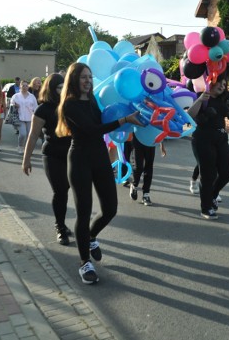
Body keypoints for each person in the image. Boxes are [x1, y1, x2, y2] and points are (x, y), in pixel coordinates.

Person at [56, 62, 141, 285]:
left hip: (100, 157)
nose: (88, 81)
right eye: (83, 77)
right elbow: (93, 130)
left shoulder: (92, 99)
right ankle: (84, 262)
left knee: (110, 209)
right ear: (74, 80)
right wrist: (123, 120)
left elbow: (103, 119)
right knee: (83, 212)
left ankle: (91, 236)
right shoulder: (69, 105)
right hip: (80, 159)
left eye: (90, 77)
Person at [22, 74, 73, 245]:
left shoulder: (70, 105)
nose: (62, 90)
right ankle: (60, 227)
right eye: (59, 87)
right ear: (51, 89)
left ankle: (65, 224)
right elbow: (33, 135)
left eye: (64, 87)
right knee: (60, 191)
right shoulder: (43, 109)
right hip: (52, 154)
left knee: (67, 189)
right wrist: (26, 159)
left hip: (72, 154)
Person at [187, 74, 229, 220]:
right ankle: (206, 208)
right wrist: (200, 100)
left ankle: (212, 195)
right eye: (219, 83)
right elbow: (190, 115)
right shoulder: (200, 95)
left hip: (221, 139)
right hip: (202, 140)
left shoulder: (225, 98)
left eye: (224, 84)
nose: (222, 86)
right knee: (208, 175)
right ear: (210, 82)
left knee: (227, 171)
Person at [129, 139, 166, 206]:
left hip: (151, 141)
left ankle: (146, 194)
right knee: (138, 167)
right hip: (138, 140)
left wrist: (161, 144)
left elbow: (159, 129)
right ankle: (134, 185)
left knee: (149, 168)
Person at [11, 79, 38, 154]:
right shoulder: (16, 96)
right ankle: (20, 146)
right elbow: (11, 105)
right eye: (23, 85)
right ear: (20, 86)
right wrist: (14, 105)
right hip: (20, 117)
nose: (25, 87)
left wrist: (36, 117)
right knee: (23, 134)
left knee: (29, 134)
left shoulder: (32, 96)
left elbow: (36, 107)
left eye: (26, 86)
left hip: (30, 118)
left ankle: (27, 148)